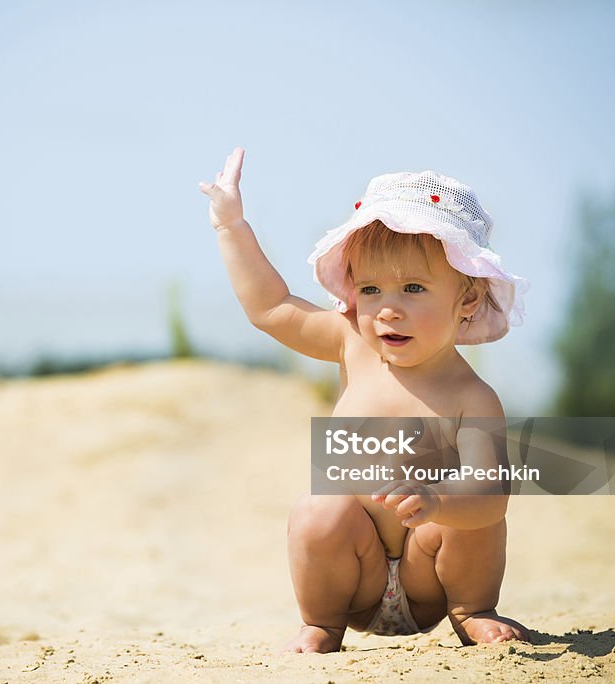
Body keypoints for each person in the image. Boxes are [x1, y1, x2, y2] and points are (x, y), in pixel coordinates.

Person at [199, 148, 531, 653]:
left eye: (414, 288)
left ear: (466, 299)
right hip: (354, 570)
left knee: (474, 518)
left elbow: (491, 493)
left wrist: (440, 501)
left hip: (430, 579)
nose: (388, 310)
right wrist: (231, 227)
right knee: (316, 509)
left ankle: (474, 611)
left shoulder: (472, 398)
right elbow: (271, 307)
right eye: (371, 289)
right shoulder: (351, 341)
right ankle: (321, 624)